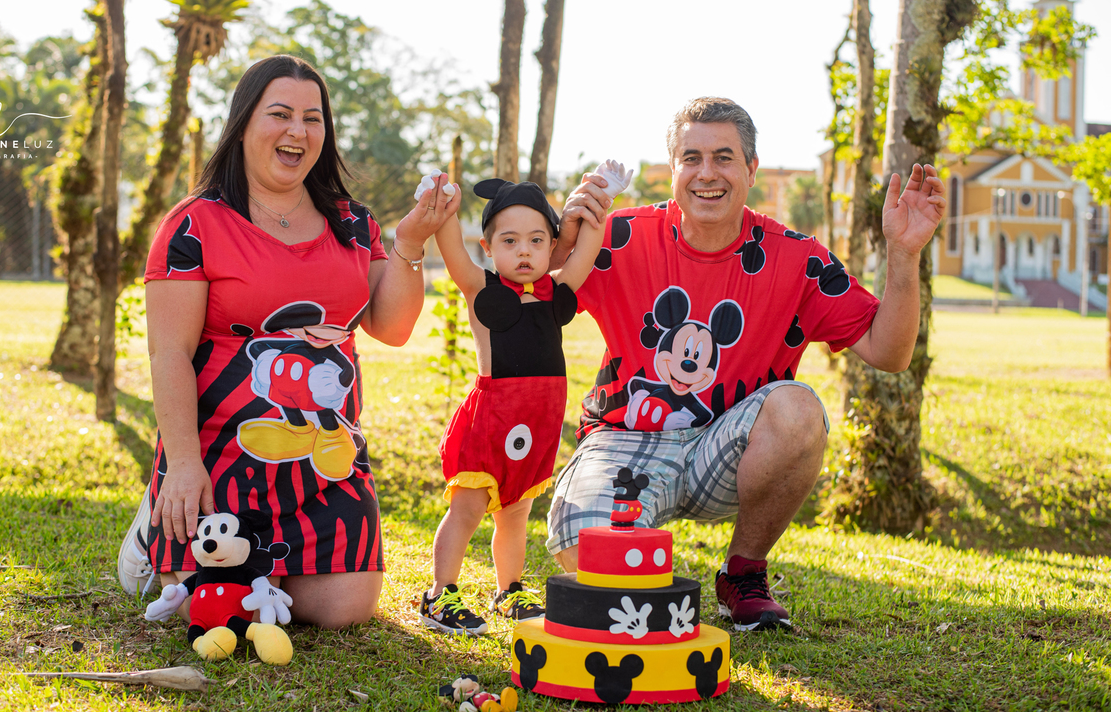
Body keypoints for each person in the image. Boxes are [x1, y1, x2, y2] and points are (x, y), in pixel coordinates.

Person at [546, 97, 945, 632]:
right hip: (627, 440)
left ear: (752, 170)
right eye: (691, 158)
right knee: (581, 549)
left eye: (724, 157)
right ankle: (643, 574)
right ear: (673, 171)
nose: (706, 173)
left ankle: (743, 573)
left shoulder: (797, 258)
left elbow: (890, 352)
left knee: (799, 408)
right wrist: (567, 232)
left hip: (728, 449)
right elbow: (533, 298)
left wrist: (904, 254)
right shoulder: (617, 237)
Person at [116, 54, 456, 629]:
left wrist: (411, 243)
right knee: (214, 609)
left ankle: (260, 573)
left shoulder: (352, 224)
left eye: (313, 117)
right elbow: (169, 353)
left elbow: (392, 327)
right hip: (219, 456)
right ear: (244, 124)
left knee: (346, 610)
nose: (298, 131)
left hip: (326, 458)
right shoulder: (195, 224)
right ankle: (164, 518)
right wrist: (183, 464)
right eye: (280, 114)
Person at [419, 166, 630, 636]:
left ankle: (509, 588)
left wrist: (602, 198)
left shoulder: (556, 292)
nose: (524, 251)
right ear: (489, 248)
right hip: (492, 421)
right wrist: (444, 202)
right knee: (469, 508)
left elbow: (588, 251)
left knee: (515, 514)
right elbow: (450, 249)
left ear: (551, 246)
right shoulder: (482, 290)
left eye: (537, 241)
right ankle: (439, 594)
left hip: (536, 425)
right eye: (509, 241)